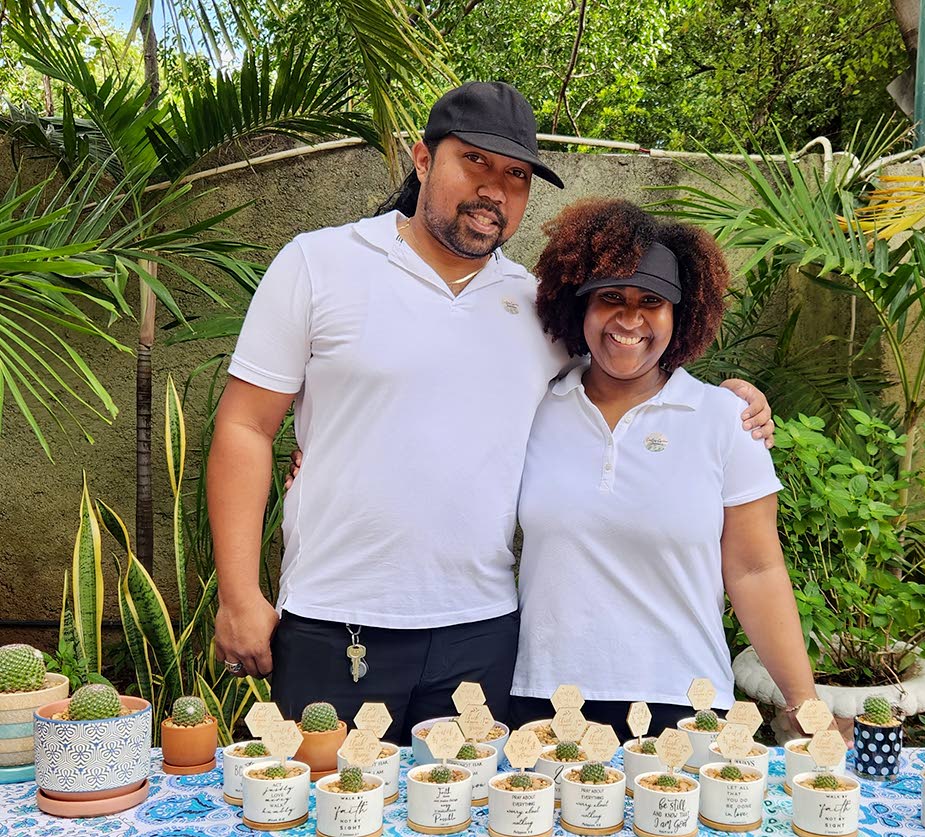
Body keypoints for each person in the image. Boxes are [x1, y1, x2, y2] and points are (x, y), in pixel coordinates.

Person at [209, 81, 774, 744]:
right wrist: (239, 595)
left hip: (479, 635)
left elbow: (622, 364)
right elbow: (246, 427)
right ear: (423, 160)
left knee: (462, 813)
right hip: (336, 624)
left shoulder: (537, 309)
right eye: (474, 162)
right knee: (321, 808)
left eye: (515, 175)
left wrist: (728, 398)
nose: (495, 190)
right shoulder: (319, 264)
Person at [507, 199, 819, 741]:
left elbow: (756, 571)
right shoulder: (533, 407)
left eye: (651, 301)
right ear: (579, 307)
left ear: (682, 315)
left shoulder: (726, 421)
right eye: (610, 298)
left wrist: (806, 706)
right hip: (547, 702)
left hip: (685, 703)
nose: (630, 319)